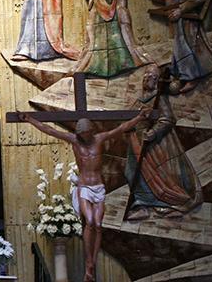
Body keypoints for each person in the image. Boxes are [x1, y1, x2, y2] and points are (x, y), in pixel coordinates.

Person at [17, 108, 150, 282]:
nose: (82, 136)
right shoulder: (74, 140)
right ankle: (88, 262)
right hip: (84, 187)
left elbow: (121, 128)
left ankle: (92, 262)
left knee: (99, 225)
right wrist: (29, 119)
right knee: (90, 222)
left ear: (91, 131)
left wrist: (139, 117)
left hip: (99, 187)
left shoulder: (100, 138)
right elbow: (50, 130)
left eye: (85, 133)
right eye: (80, 133)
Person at [124, 65, 202, 220]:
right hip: (136, 143)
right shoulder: (139, 100)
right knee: (131, 171)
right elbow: (130, 117)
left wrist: (153, 133)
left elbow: (167, 119)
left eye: (151, 76)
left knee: (160, 176)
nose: (147, 78)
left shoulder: (158, 98)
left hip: (153, 145)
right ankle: (142, 204)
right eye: (145, 75)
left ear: (157, 80)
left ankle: (163, 204)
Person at [74, 0, 148, 78]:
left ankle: (120, 64)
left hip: (110, 8)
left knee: (114, 37)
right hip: (97, 8)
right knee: (97, 38)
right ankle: (97, 66)